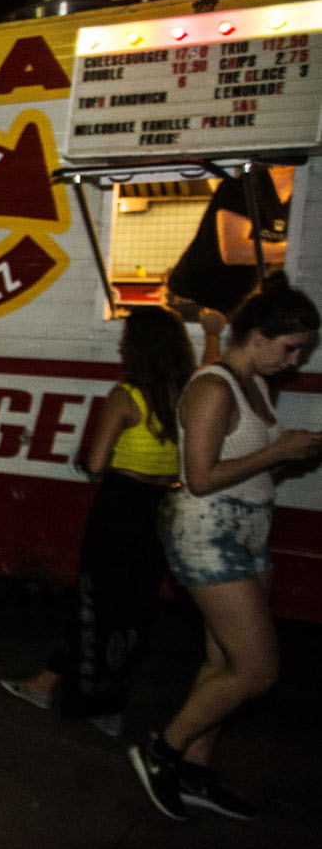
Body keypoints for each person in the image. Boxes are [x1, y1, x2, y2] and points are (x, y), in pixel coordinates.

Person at [131, 285, 321, 821]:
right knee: (258, 671)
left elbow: (248, 464)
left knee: (224, 663)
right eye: (289, 348)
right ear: (258, 336)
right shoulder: (213, 388)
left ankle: (194, 770)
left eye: (302, 351)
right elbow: (200, 477)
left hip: (250, 527)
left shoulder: (256, 382)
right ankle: (163, 751)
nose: (295, 361)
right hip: (207, 529)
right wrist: (278, 450)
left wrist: (288, 454)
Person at [0, 307, 194, 732]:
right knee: (135, 609)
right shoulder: (188, 394)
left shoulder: (126, 396)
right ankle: (108, 706)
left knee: (95, 604)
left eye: (127, 337)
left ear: (141, 346)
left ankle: (77, 695)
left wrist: (85, 456)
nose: (121, 344)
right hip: (161, 508)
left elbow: (96, 463)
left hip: (121, 506)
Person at [166, 167, 291, 318]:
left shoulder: (297, 200)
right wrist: (291, 250)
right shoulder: (245, 184)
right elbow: (233, 251)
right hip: (194, 300)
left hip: (233, 305)